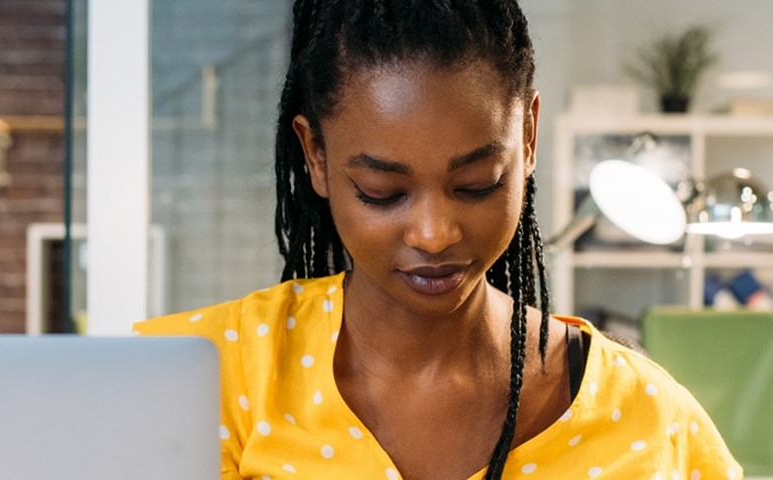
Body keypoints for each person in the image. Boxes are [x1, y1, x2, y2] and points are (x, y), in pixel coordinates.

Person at [135, 1, 740, 478]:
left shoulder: (649, 417)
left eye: (477, 184)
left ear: (528, 136)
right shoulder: (199, 377)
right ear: (315, 156)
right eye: (382, 190)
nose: (433, 234)